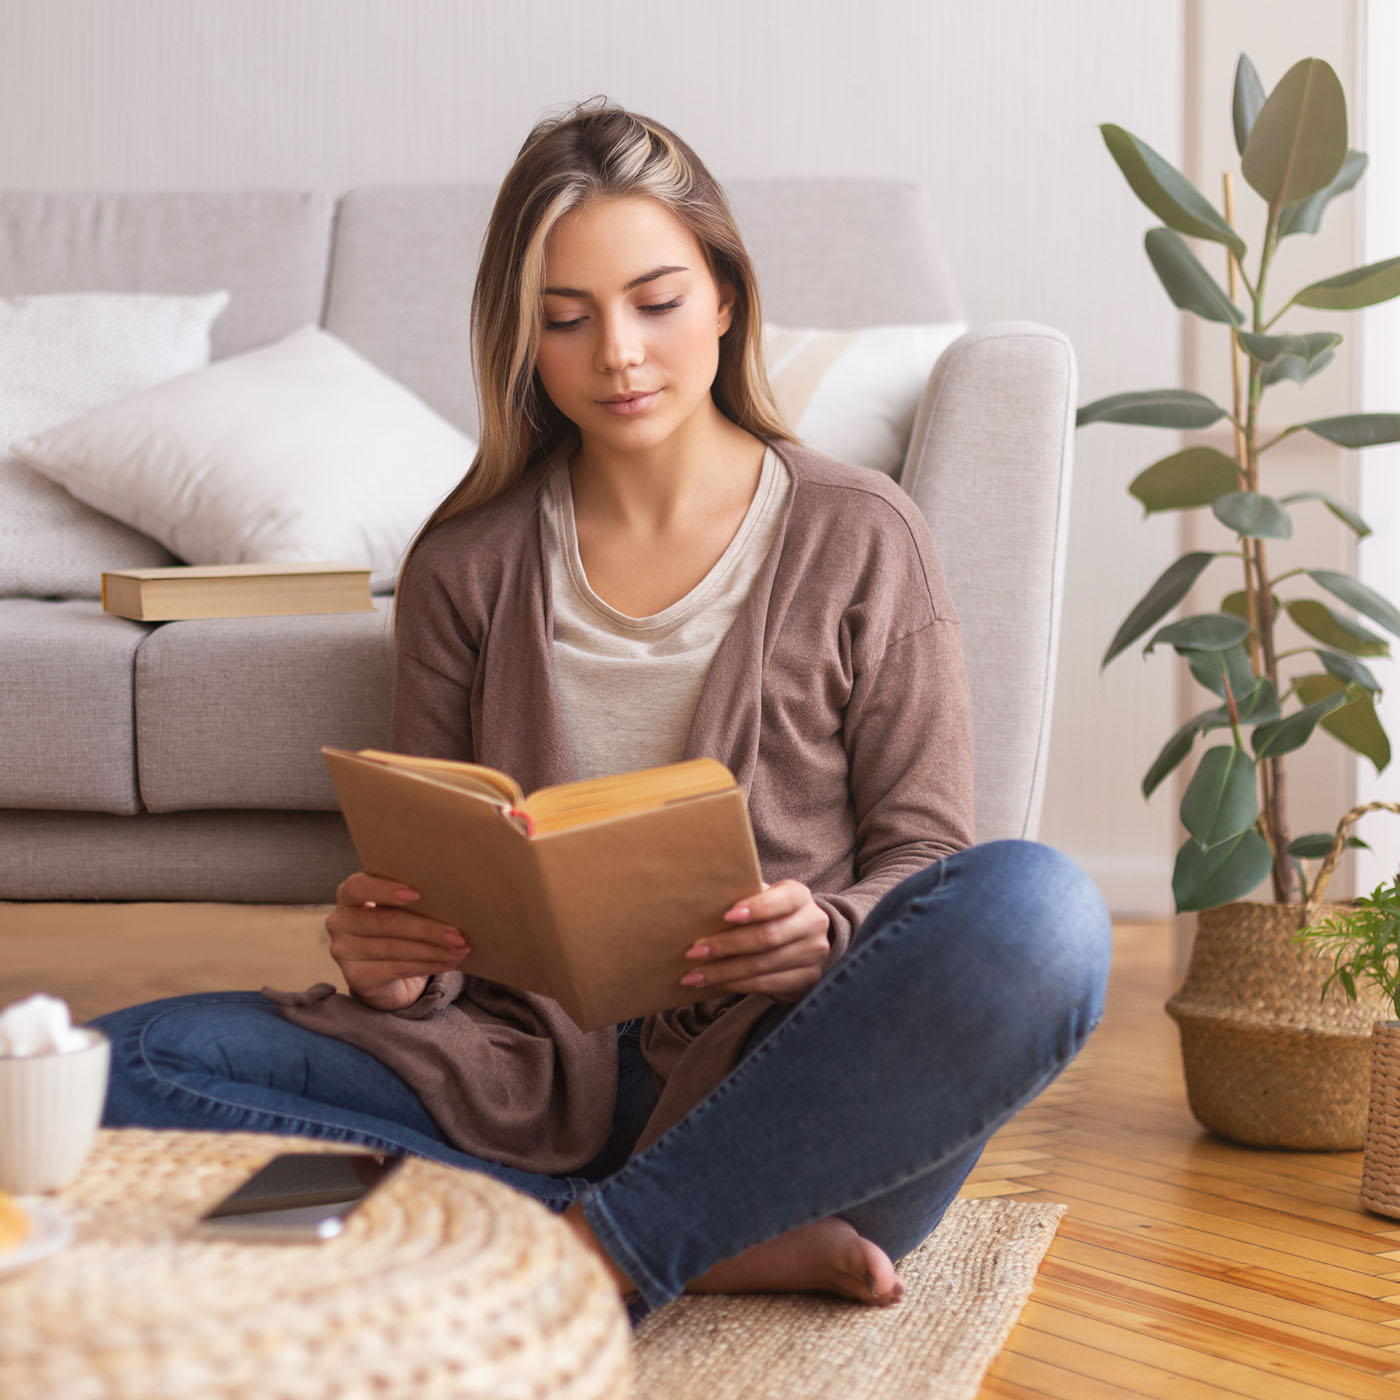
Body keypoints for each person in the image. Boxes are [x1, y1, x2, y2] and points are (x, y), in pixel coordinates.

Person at [94, 100, 1111, 1326]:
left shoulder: (861, 536)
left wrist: (827, 933)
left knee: (1040, 913)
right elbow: (430, 869)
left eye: (655, 302)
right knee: (100, 1072)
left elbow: (925, 857)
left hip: (785, 1090)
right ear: (522, 343)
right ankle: (676, 1235)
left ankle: (572, 1241)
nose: (617, 353)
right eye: (564, 320)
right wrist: (392, 963)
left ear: (726, 298)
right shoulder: (465, 564)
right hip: (509, 1069)